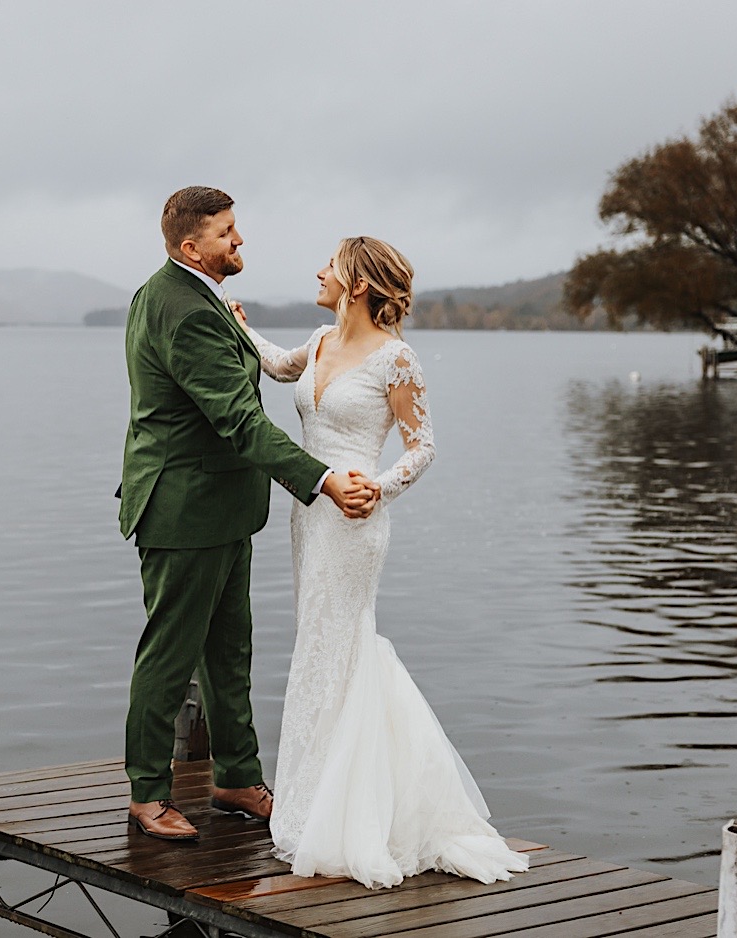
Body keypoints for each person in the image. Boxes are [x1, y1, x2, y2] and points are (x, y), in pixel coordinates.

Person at [235, 236, 530, 887]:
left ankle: (358, 814)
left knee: (342, 647)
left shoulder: (397, 358)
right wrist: (236, 327)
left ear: (358, 283)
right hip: (308, 513)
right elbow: (281, 367)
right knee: (316, 650)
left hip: (356, 518)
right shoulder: (317, 341)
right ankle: (315, 803)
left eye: (329, 266)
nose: (318, 272)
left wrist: (382, 486)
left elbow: (422, 446)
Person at [118, 187, 376, 841]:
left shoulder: (189, 297)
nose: (239, 242)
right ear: (190, 246)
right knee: (170, 657)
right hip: (183, 511)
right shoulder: (185, 309)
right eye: (227, 233)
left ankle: (236, 777)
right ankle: (148, 793)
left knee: (229, 655)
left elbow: (248, 378)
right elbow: (236, 418)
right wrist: (319, 479)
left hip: (221, 511)